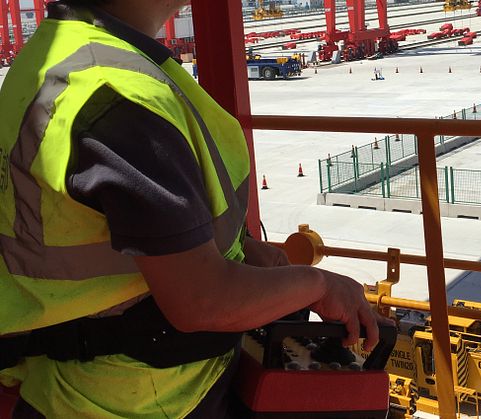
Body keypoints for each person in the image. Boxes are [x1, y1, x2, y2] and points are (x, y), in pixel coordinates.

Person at [0, 0, 386, 418]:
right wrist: (320, 285)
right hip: (138, 395)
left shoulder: (64, 55)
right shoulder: (119, 98)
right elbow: (201, 300)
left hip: (78, 380)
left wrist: (240, 252)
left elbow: (96, 229)